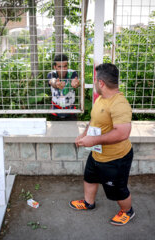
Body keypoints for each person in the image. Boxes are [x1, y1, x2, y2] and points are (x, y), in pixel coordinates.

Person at [70, 63, 134, 226]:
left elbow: (122, 133)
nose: (94, 82)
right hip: (97, 152)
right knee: (90, 177)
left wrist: (93, 140)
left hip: (115, 158)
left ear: (102, 83)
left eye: (95, 79)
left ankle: (127, 211)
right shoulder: (101, 99)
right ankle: (88, 203)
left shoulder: (119, 104)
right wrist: (84, 134)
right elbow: (94, 119)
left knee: (118, 190)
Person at [47, 54, 80, 120]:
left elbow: (75, 80)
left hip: (71, 112)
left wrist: (75, 83)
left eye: (65, 66)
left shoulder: (73, 73)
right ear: (55, 67)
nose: (63, 69)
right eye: (60, 67)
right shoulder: (51, 74)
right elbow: (51, 81)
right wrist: (56, 83)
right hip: (55, 112)